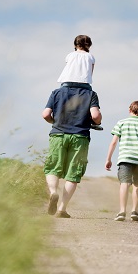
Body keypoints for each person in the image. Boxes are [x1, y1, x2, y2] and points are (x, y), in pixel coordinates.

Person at [42, 84, 102, 218]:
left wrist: (55, 122)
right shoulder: (90, 94)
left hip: (58, 135)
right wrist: (96, 121)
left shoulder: (56, 92)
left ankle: (53, 192)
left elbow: (46, 114)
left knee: (53, 168)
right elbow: (96, 116)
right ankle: (62, 209)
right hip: (80, 137)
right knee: (73, 173)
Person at [104, 100, 138, 222]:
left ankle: (122, 212)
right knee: (137, 185)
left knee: (124, 184)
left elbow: (114, 142)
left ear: (129, 109)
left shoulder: (121, 123)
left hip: (125, 158)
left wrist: (108, 158)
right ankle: (135, 211)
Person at [57, 35, 103, 130]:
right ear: (89, 45)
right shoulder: (90, 57)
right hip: (83, 83)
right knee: (88, 100)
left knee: (62, 98)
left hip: (67, 82)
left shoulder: (70, 55)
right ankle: (92, 120)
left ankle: (59, 117)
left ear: (75, 44)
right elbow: (90, 72)